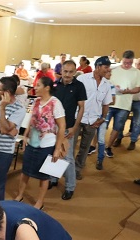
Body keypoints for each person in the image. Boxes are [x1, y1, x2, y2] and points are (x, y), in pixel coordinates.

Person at [14, 76, 67, 210]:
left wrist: (56, 148)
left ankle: (40, 201)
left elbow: (62, 127)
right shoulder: (36, 101)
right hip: (33, 142)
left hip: (47, 144)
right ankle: (20, 194)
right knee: (25, 171)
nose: (35, 87)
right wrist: (25, 136)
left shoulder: (55, 103)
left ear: (47, 88)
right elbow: (31, 121)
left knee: (44, 175)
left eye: (38, 85)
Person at [49, 60, 86, 200]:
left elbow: (81, 107)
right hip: (53, 127)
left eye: (71, 72)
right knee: (54, 152)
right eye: (65, 71)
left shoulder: (79, 86)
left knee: (68, 157)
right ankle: (53, 179)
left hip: (68, 127)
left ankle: (70, 187)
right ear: (61, 71)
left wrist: (75, 127)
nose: (68, 74)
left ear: (75, 72)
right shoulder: (55, 84)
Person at [0, 76, 26, 201]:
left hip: (4, 152)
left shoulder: (19, 108)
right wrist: (7, 128)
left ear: (7, 93)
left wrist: (2, 108)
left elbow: (4, 128)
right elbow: (0, 127)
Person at [76, 56, 113, 174]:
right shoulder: (82, 78)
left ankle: (77, 170)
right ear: (98, 66)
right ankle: (62, 171)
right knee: (68, 147)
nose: (108, 70)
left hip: (93, 121)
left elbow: (106, 104)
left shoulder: (107, 85)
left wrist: (102, 118)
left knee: (85, 148)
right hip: (76, 118)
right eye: (106, 67)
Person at [104, 50, 140, 157]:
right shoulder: (114, 70)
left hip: (125, 105)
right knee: (103, 125)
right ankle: (98, 145)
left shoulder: (136, 72)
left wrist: (128, 91)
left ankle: (108, 147)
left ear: (133, 61)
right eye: (125, 62)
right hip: (110, 103)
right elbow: (106, 83)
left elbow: (138, 88)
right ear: (122, 60)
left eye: (129, 63)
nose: (127, 65)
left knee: (118, 127)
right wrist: (114, 88)